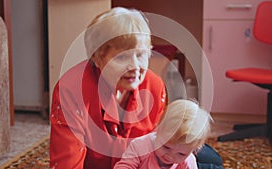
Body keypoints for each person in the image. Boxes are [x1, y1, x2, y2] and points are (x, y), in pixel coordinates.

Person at [49, 7, 223, 169]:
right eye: (122, 57)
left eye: (140, 55)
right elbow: (67, 163)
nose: (135, 66)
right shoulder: (71, 90)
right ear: (97, 58)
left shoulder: (154, 86)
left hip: (138, 162)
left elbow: (156, 147)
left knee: (211, 159)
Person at [114, 99, 212, 169]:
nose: (170, 156)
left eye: (181, 154)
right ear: (158, 129)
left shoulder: (188, 162)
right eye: (166, 147)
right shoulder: (139, 147)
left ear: (195, 149)